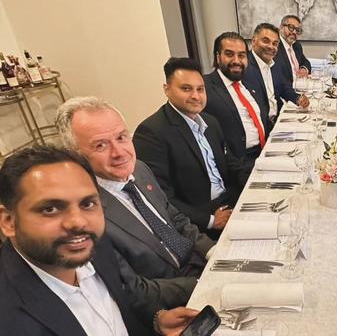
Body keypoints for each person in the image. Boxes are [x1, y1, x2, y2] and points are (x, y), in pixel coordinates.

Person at [0, 145, 199, 335]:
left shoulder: (92, 244)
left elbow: (123, 298)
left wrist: (156, 320)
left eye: (87, 203)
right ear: (8, 221)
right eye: (50, 209)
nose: (78, 222)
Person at [55, 97, 217, 308]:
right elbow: (132, 289)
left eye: (122, 137)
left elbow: (174, 217)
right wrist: (202, 284)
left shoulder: (139, 169)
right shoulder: (83, 213)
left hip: (199, 263)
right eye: (101, 145)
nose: (119, 153)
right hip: (170, 301)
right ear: (75, 156)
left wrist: (213, 251)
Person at [133, 57, 250, 240]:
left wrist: (255, 181)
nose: (196, 96)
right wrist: (210, 220)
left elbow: (229, 163)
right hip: (200, 221)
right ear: (167, 89)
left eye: (200, 89)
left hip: (231, 202)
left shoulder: (210, 122)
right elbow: (161, 197)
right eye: (186, 89)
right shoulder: (151, 133)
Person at [204, 32, 270, 161]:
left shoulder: (250, 83)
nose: (236, 61)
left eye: (241, 55)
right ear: (218, 57)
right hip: (238, 163)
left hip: (265, 153)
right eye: (229, 54)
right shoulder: (205, 88)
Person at [243, 22, 309, 124]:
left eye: (275, 43)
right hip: (260, 125)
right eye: (266, 41)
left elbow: (283, 87)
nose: (271, 46)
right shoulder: (245, 67)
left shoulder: (273, 63)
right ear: (253, 41)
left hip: (276, 119)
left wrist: (298, 98)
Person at [273, 15, 311, 84]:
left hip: (300, 86)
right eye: (291, 27)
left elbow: (306, 61)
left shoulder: (296, 45)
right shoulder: (275, 46)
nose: (294, 32)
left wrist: (304, 69)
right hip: (286, 89)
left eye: (297, 30)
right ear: (281, 27)